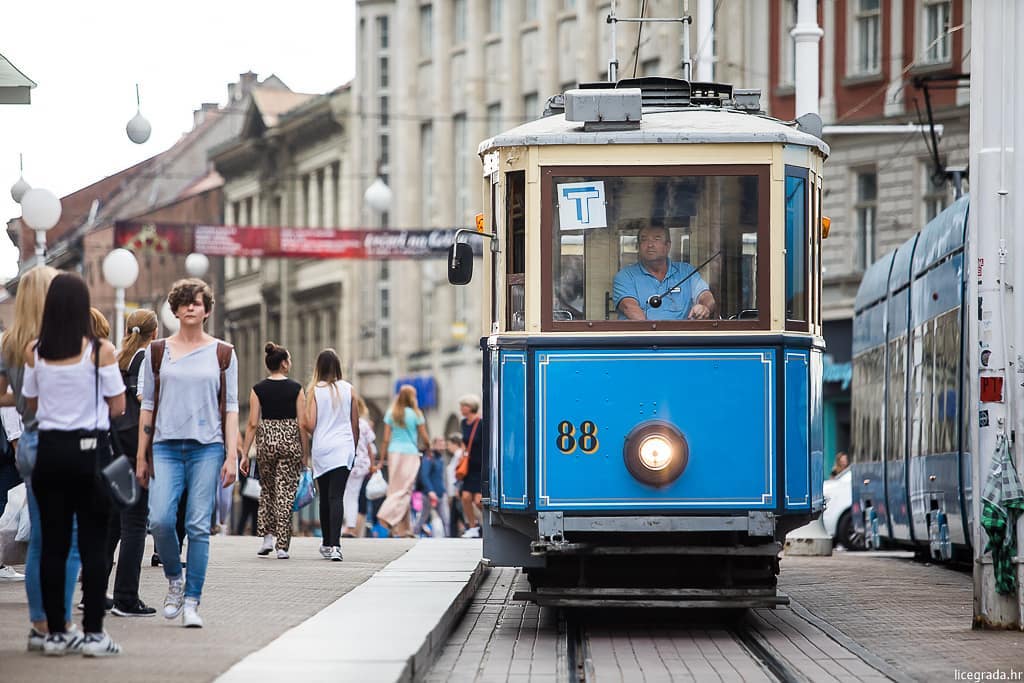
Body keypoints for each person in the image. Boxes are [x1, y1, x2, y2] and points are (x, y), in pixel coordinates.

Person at [23, 272, 126, 656]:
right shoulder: (100, 351)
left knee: (52, 543)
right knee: (93, 544)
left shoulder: (35, 350)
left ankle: (54, 634)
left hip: (50, 454)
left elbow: (31, 404)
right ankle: (95, 633)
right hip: (90, 454)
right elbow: (117, 404)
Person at [135, 278, 239, 629]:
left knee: (197, 524)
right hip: (164, 446)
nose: (191, 307)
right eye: (185, 302)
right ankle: (174, 579)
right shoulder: (158, 351)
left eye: (198, 302)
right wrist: (141, 455)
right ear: (175, 309)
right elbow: (147, 406)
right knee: (161, 520)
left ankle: (192, 601)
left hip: (207, 448)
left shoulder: (223, 353)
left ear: (207, 310)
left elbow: (232, 408)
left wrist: (232, 455)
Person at [4, 266, 83, 651]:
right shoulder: (62, 342)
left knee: (39, 538)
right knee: (67, 539)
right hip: (63, 441)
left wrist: (21, 397)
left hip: (32, 441)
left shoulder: (11, 342)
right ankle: (61, 621)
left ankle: (38, 624)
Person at [104, 309, 158, 618]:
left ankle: (94, 590)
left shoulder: (116, 359)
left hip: (113, 446)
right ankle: (126, 597)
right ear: (155, 332)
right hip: (136, 447)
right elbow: (144, 403)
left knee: (112, 520)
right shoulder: (146, 359)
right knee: (135, 521)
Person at [239, 343, 307, 559]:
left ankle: (267, 537)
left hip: (266, 439)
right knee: (285, 492)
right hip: (289, 439)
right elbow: (303, 422)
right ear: (284, 363)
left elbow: (251, 423)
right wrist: (305, 452)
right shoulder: (296, 388)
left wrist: (245, 453)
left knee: (267, 489)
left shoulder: (258, 389)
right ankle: (282, 546)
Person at [300, 349, 358, 561]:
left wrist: (302, 419)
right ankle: (336, 546)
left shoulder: (315, 390)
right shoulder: (349, 389)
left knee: (325, 497)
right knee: (337, 497)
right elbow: (355, 424)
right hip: (344, 449)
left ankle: (326, 542)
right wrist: (354, 448)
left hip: (323, 449)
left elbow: (311, 424)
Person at [612, 223, 716, 321]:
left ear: (668, 246)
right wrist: (655, 336)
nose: (650, 245)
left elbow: (706, 296)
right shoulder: (625, 276)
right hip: (643, 338)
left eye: (656, 239)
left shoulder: (686, 271)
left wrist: (704, 307)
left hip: (683, 337)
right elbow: (629, 307)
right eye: (644, 240)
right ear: (638, 246)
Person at [375, 385, 430, 538]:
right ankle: (385, 515)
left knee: (395, 489)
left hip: (394, 452)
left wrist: (383, 458)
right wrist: (429, 447)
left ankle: (403, 529)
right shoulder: (416, 414)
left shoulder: (391, 413)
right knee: (406, 489)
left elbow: (385, 439)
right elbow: (424, 436)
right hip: (410, 453)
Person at [341, 396, 375, 539]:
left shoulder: (344, 423)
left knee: (345, 495)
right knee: (353, 495)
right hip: (361, 465)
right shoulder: (364, 424)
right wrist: (372, 465)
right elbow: (370, 447)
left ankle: (349, 526)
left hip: (346, 462)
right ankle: (350, 526)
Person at [457, 395, 484, 538]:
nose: (461, 409)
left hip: (479, 465)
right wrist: (462, 455)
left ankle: (487, 524)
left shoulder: (481, 422)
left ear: (471, 407)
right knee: (466, 497)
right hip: (468, 466)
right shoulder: (463, 423)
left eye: (464, 406)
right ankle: (472, 526)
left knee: (478, 500)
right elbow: (464, 441)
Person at [445, 433, 466, 537]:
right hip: (453, 491)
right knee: (455, 515)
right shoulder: (455, 456)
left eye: (449, 444)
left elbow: (458, 474)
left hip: (456, 490)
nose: (447, 447)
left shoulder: (458, 455)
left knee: (458, 514)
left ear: (455, 444)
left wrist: (457, 489)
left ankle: (471, 529)